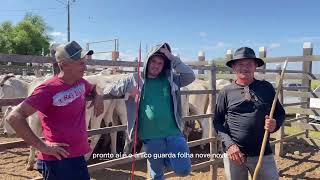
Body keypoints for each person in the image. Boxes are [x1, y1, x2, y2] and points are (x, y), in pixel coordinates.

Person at [6, 41, 104, 180]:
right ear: (64, 65)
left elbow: (95, 87)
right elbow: (14, 117)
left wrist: (99, 96)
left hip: (78, 156)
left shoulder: (80, 82)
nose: (85, 66)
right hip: (57, 160)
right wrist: (43, 146)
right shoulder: (47, 89)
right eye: (80, 63)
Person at [104, 42, 195, 179]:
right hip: (150, 137)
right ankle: (159, 162)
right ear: (147, 60)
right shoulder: (133, 79)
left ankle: (163, 160)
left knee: (183, 170)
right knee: (156, 175)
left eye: (160, 63)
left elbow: (190, 76)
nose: (156, 65)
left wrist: (171, 57)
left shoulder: (171, 79)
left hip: (174, 134)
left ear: (165, 65)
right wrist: (127, 91)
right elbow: (107, 89)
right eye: (153, 61)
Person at [213, 47, 285, 180]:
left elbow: (280, 113)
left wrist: (275, 124)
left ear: (255, 66)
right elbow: (217, 122)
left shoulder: (266, 88)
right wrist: (230, 145)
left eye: (249, 64)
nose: (245, 68)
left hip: (262, 153)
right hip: (235, 154)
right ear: (234, 67)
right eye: (240, 64)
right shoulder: (226, 92)